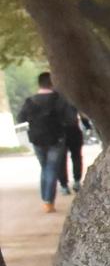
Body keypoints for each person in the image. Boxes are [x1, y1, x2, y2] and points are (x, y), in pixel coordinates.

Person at [19, 72, 74, 214]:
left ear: (39, 84)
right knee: (51, 168)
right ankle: (48, 201)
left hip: (37, 139)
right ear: (52, 83)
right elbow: (71, 119)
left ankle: (45, 198)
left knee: (44, 167)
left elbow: (20, 119)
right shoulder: (59, 100)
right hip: (56, 139)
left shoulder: (30, 101)